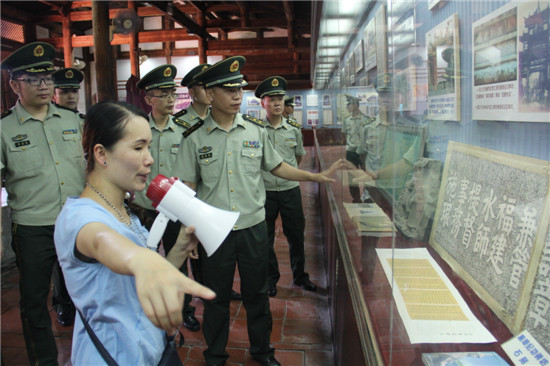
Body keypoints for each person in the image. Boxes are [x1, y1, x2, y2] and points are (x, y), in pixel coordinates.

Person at [172, 56, 343, 366]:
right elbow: (187, 190)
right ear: (210, 94)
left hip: (253, 227)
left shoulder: (255, 131)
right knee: (215, 298)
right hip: (215, 232)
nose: (238, 96)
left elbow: (278, 166)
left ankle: (262, 352)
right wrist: (190, 232)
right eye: (229, 90)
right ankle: (215, 355)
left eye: (239, 89)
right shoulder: (193, 138)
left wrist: (315, 176)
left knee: (257, 295)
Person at [53, 100, 216, 365]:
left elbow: (144, 280)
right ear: (101, 154)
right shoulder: (81, 217)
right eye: (138, 147)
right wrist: (140, 260)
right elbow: (104, 242)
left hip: (149, 351)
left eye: (148, 147)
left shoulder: (125, 212)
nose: (149, 158)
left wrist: (180, 249)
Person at [0, 42, 85, 365]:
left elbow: (92, 167)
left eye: (47, 78)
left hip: (76, 223)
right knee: (34, 301)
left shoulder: (72, 121)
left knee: (86, 293)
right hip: (32, 228)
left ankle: (89, 355)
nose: (44, 85)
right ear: (14, 85)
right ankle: (44, 361)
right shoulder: (4, 130)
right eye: (33, 80)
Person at [131, 64, 201, 332]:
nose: (172, 99)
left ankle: (184, 309)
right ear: (149, 99)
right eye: (165, 94)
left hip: (174, 211)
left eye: (174, 94)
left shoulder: (185, 130)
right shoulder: (137, 129)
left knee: (179, 261)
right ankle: (142, 307)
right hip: (142, 209)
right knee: (141, 262)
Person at [176, 62, 242, 302]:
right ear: (193, 92)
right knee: (189, 255)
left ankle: (215, 290)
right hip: (184, 202)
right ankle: (191, 302)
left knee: (215, 265)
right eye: (203, 87)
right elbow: (187, 181)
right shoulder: (183, 125)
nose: (207, 92)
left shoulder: (230, 121)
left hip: (220, 208)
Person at [255, 76, 316, 298]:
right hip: (266, 192)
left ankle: (300, 276)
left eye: (280, 98)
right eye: (272, 99)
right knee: (266, 238)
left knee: (296, 235)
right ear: (263, 103)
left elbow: (298, 158)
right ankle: (271, 279)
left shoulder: (293, 129)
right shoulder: (256, 130)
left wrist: (288, 176)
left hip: (290, 191)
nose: (278, 103)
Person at [50, 66, 86, 327]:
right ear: (55, 93)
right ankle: (63, 304)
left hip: (79, 202)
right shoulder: (51, 124)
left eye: (74, 91)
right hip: (52, 204)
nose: (71, 96)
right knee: (58, 262)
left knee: (79, 256)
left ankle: (79, 301)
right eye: (65, 91)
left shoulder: (83, 122)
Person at [342, 94, 367, 203]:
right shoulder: (346, 120)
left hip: (363, 152)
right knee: (352, 176)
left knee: (366, 174)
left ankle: (367, 196)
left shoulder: (366, 120)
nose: (347, 106)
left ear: (356, 105)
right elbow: (345, 135)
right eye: (347, 104)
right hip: (351, 152)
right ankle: (356, 198)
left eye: (349, 104)